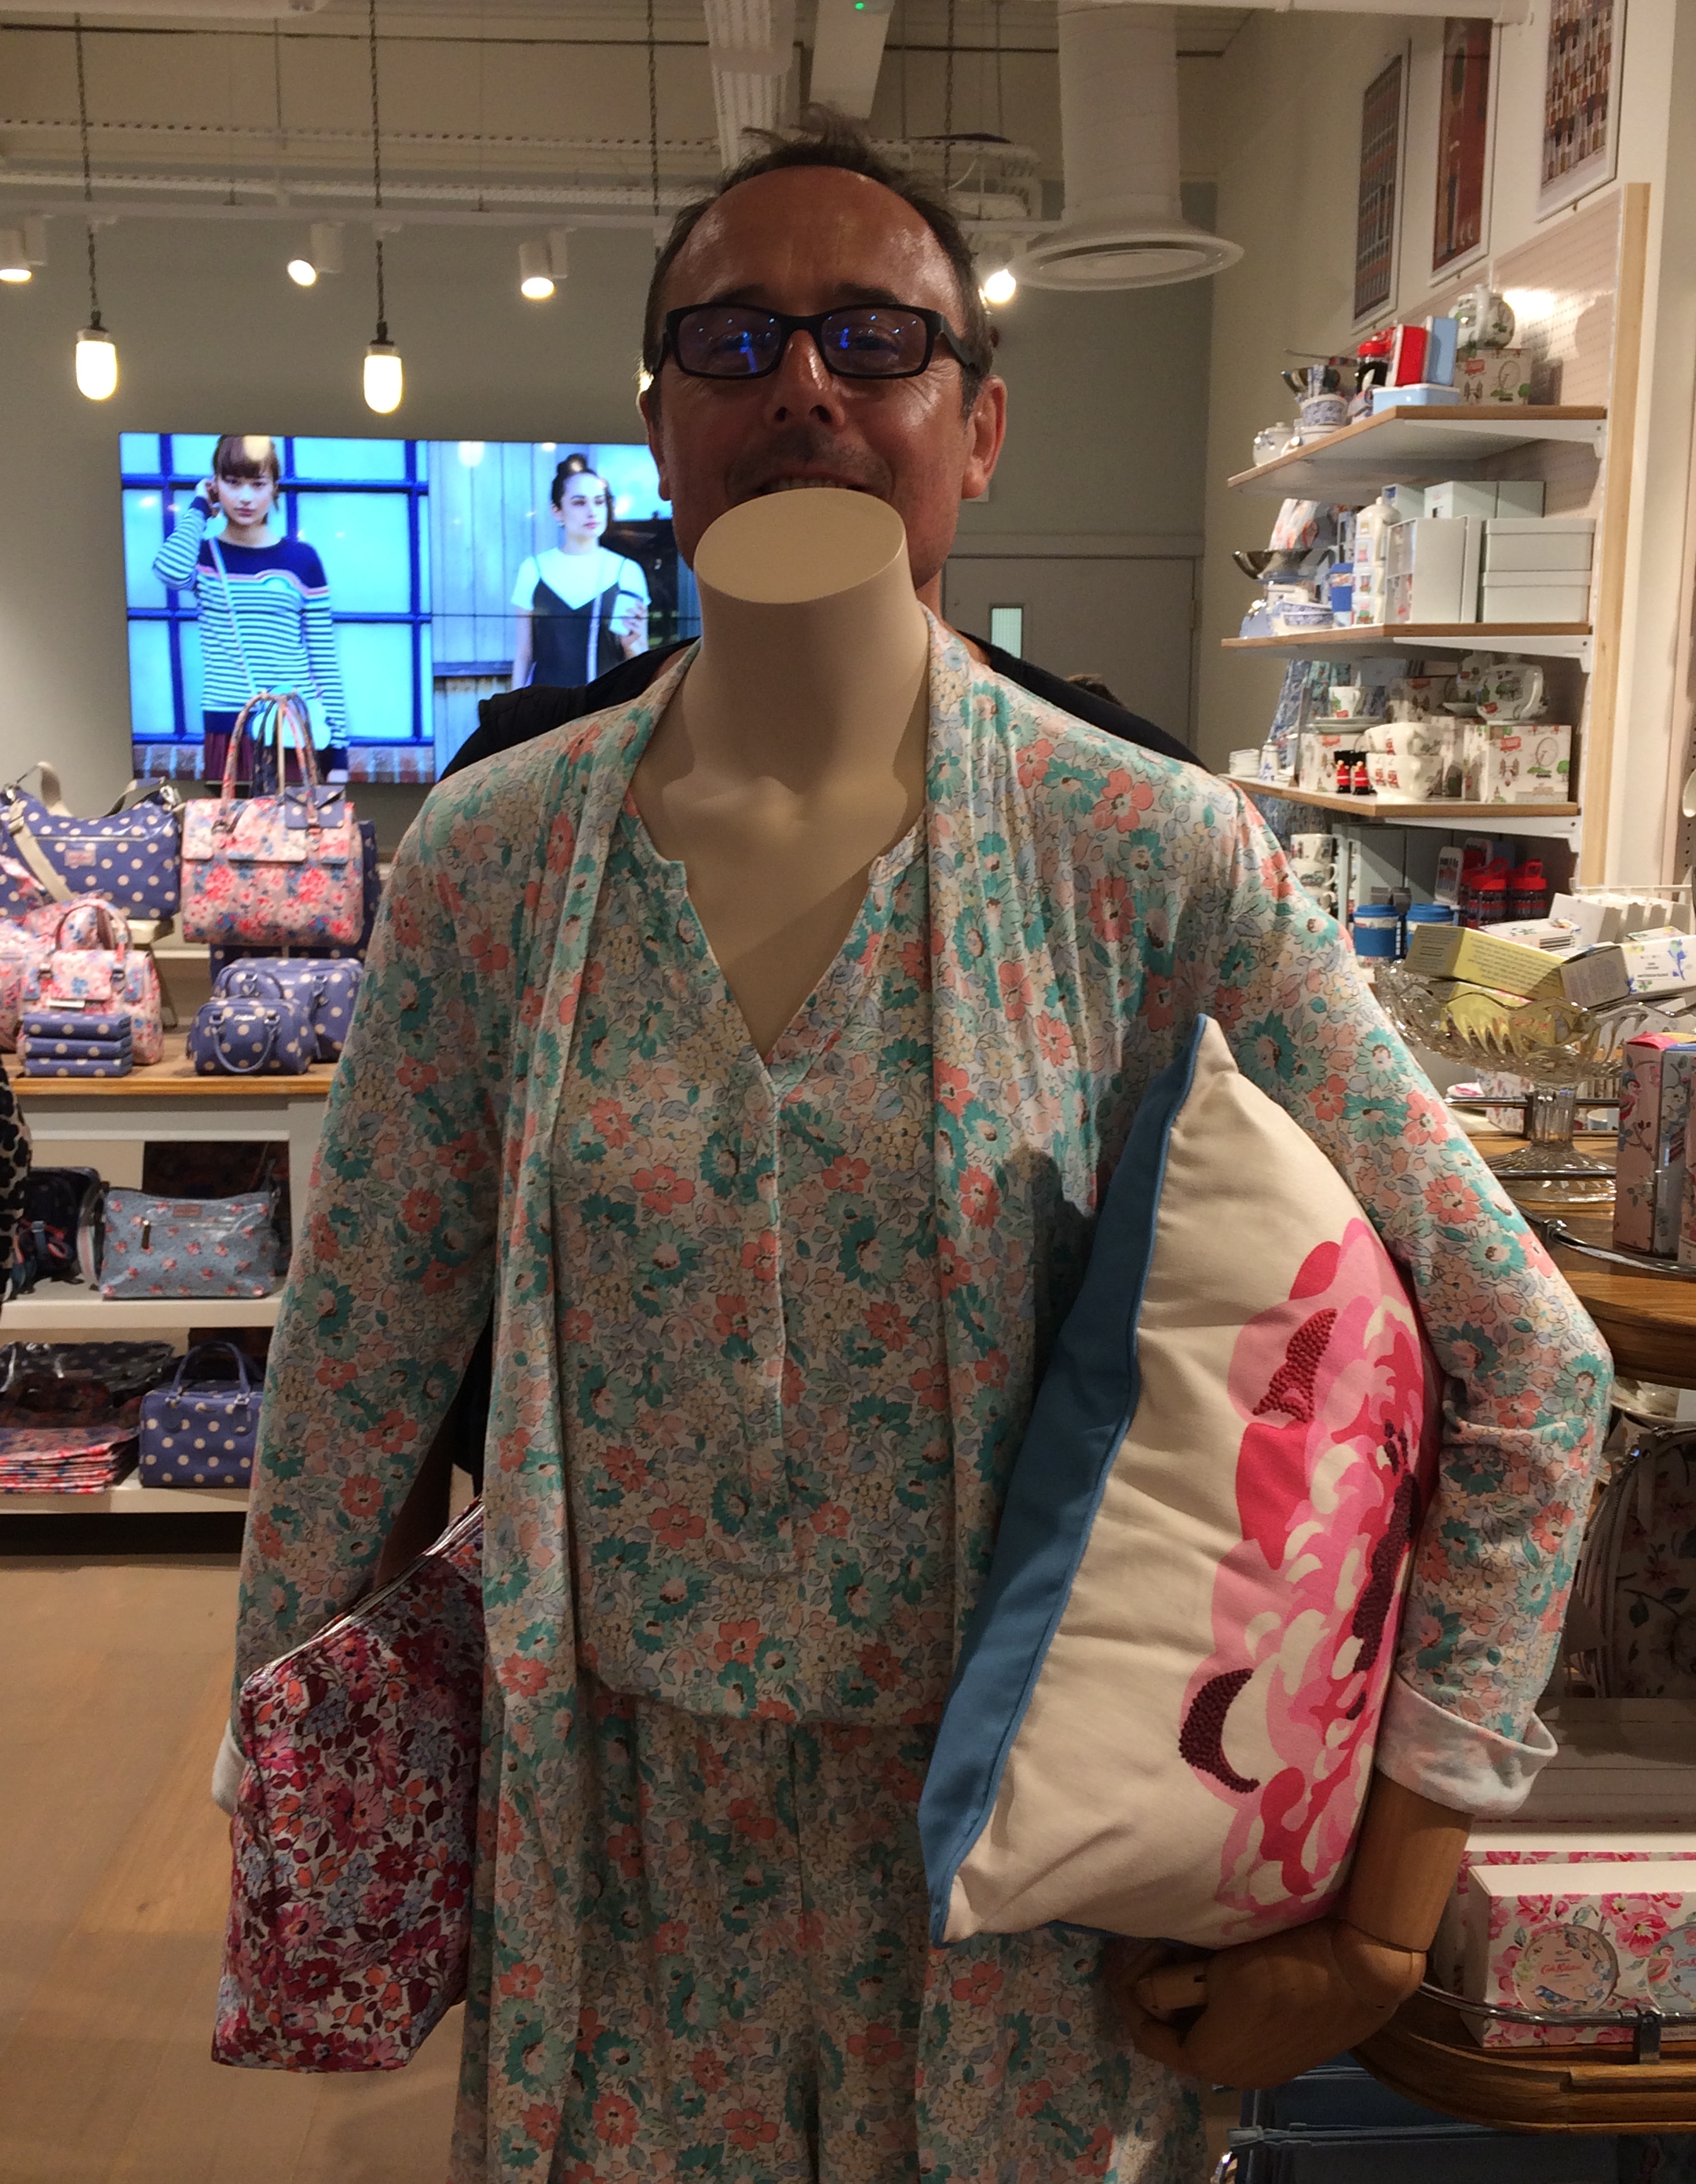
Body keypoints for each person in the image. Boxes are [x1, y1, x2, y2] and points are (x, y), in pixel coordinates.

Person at [224, 116, 1607, 2183]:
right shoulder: (494, 871)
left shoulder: (1147, 859)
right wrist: (317, 1866)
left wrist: (1383, 1918)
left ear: (979, 426)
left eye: (873, 337)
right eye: (732, 339)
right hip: (614, 1878)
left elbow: (1526, 1364)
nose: (801, 382)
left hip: (1042, 1902)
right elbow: (345, 1405)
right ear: (658, 428)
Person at [152, 434, 350, 782]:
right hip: (228, 727)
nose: (245, 497)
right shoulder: (204, 556)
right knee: (229, 818)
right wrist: (200, 506)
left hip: (291, 726)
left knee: (297, 818)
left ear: (274, 488)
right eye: (232, 482)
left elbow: (323, 660)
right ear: (215, 485)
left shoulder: (302, 559)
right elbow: (168, 571)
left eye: (258, 484)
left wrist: (339, 753)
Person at [509, 456, 651, 688]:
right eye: (579, 503)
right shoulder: (533, 570)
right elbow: (524, 653)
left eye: (599, 502)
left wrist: (631, 645)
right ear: (557, 511)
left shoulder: (627, 572)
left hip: (608, 705)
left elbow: (642, 657)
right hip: (547, 705)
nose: (592, 511)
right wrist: (515, 704)